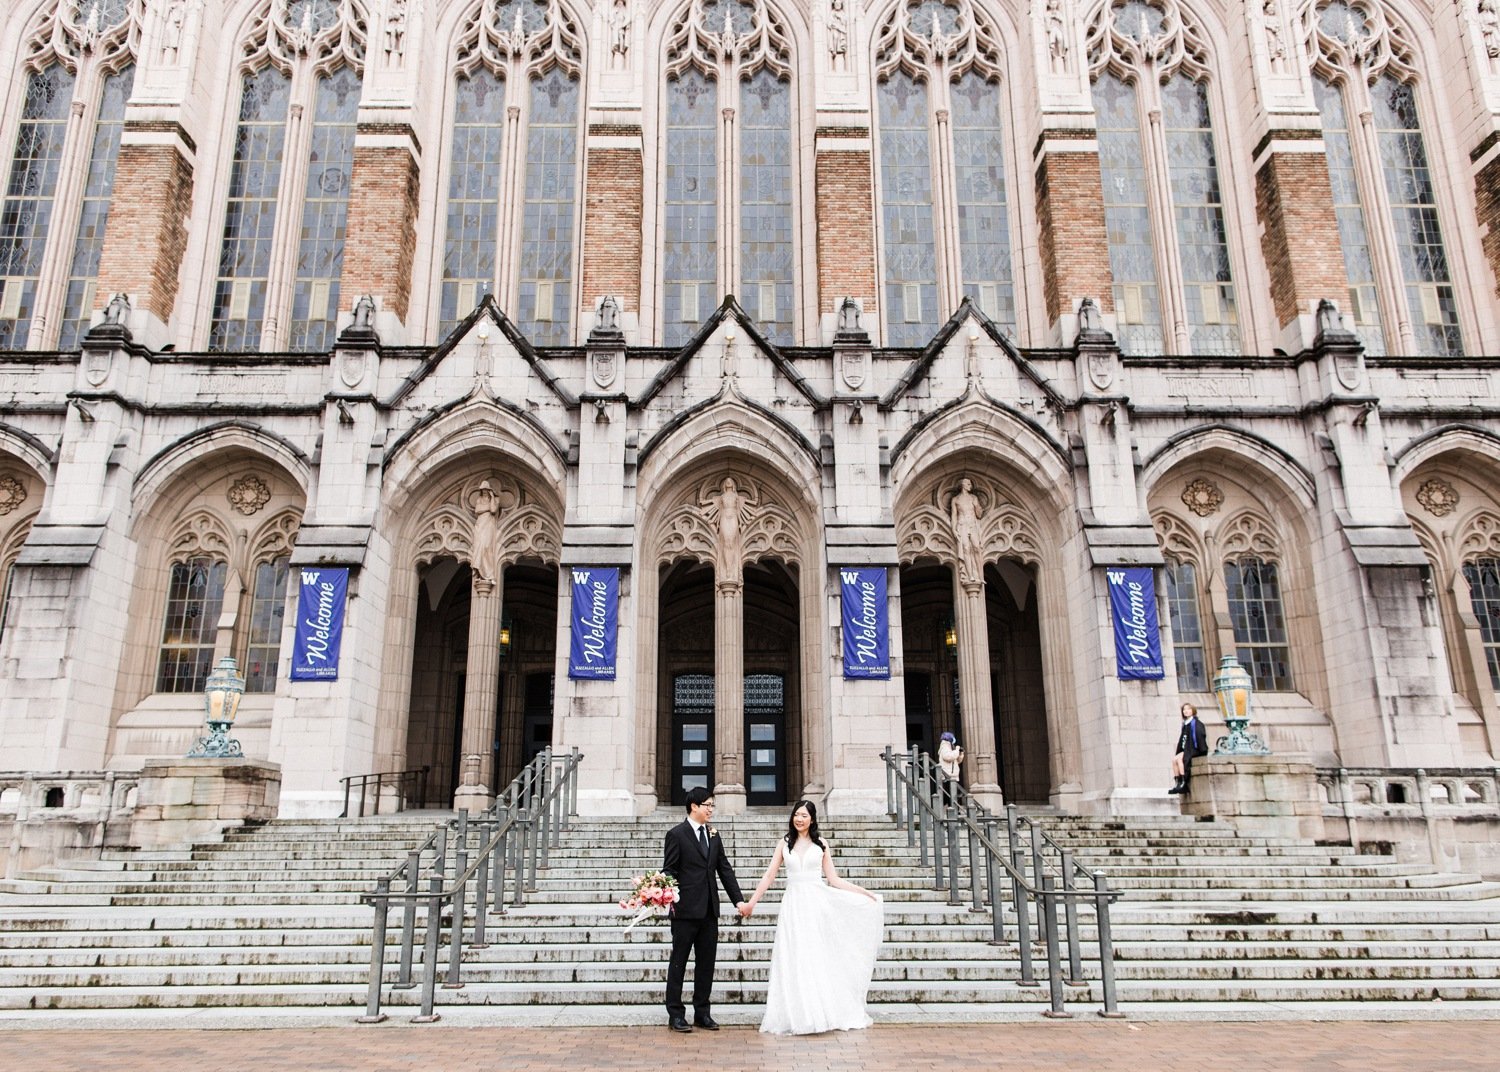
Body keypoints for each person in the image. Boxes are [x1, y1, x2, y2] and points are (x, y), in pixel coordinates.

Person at [746, 800, 883, 1035]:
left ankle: (819, 1011)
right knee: (793, 955)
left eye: (804, 815)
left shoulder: (821, 845)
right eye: (796, 815)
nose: (799, 819)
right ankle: (796, 1014)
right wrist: (751, 903)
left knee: (815, 955)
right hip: (793, 905)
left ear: (812, 819)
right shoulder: (784, 843)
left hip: (816, 904)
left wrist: (864, 893)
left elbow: (834, 879)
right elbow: (769, 875)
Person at [661, 787, 751, 1033]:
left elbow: (724, 869)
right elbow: (670, 869)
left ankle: (702, 1012)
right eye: (708, 805)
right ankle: (676, 1014)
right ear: (694, 807)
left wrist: (738, 901)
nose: (711, 809)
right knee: (678, 961)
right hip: (685, 910)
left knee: (706, 964)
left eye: (712, 805)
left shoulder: (714, 834)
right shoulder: (676, 835)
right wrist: (659, 888)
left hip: (710, 910)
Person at [1169, 702, 1209, 795]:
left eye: (1188, 709)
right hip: (1186, 749)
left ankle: (1184, 783)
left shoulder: (1196, 723)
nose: (1186, 711)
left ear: (1193, 711)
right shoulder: (1186, 724)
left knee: (1179, 760)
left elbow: (1200, 737)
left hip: (1193, 749)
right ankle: (1178, 783)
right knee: (1174, 760)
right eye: (1184, 709)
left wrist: (1202, 749)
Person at [937, 731, 964, 807]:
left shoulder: (950, 748)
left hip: (952, 775)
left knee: (951, 794)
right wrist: (957, 750)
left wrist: (960, 754)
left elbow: (956, 761)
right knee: (949, 794)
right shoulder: (944, 747)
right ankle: (953, 809)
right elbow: (948, 757)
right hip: (948, 776)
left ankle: (950, 808)